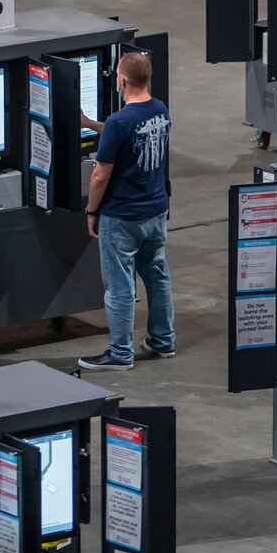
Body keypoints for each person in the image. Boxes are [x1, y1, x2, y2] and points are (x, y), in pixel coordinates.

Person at [77, 52, 174, 371]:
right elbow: (131, 133)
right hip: (156, 212)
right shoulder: (160, 110)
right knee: (157, 276)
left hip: (122, 217)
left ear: (121, 80)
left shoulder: (121, 121)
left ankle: (120, 353)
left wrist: (92, 210)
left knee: (119, 285)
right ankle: (163, 341)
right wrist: (91, 124)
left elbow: (101, 174)